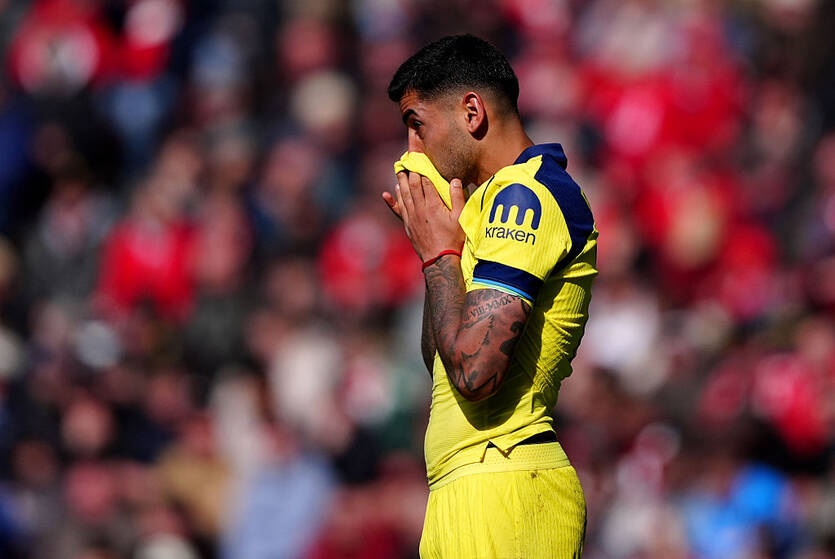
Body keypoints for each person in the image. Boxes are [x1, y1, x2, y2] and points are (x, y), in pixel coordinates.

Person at [381, 34, 598, 558]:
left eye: (417, 123)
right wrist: (440, 251)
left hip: (506, 485)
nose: (412, 149)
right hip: (465, 488)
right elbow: (440, 357)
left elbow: (475, 372)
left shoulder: (526, 195)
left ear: (472, 112)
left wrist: (438, 255)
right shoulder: (485, 206)